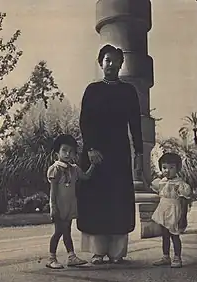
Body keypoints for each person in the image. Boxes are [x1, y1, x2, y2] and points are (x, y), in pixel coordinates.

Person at [76, 44, 143, 264]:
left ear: (121, 64)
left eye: (115, 61)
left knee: (118, 200)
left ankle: (117, 253)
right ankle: (98, 251)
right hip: (96, 155)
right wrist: (91, 149)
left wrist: (139, 154)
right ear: (101, 63)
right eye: (107, 60)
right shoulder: (92, 90)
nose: (111, 64)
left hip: (119, 154)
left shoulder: (128, 91)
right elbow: (85, 122)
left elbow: (135, 125)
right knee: (97, 201)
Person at [46, 134, 96, 269]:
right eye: (64, 150)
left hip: (70, 206)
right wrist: (53, 207)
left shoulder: (74, 169)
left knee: (67, 231)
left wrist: (93, 165)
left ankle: (71, 257)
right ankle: (52, 258)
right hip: (59, 206)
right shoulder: (55, 169)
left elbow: (86, 177)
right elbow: (53, 191)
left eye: (71, 151)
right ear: (57, 152)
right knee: (58, 232)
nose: (68, 154)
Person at [149, 152, 192, 268]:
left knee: (175, 235)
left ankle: (177, 257)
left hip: (174, 211)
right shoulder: (161, 182)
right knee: (165, 235)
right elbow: (149, 185)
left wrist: (183, 217)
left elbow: (183, 202)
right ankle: (165, 256)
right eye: (164, 168)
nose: (167, 171)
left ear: (178, 168)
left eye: (171, 168)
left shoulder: (181, 185)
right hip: (163, 210)